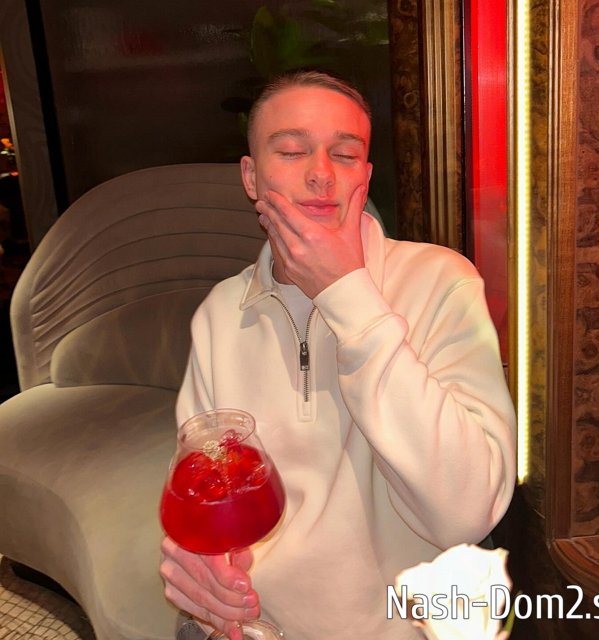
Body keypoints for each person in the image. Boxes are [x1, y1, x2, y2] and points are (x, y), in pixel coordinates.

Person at [160, 70, 516, 640]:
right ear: (251, 176)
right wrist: (195, 561)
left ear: (364, 177)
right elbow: (205, 481)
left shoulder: (440, 281)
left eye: (345, 154)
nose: (321, 174)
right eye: (291, 150)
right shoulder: (221, 312)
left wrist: (348, 295)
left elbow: (465, 513)